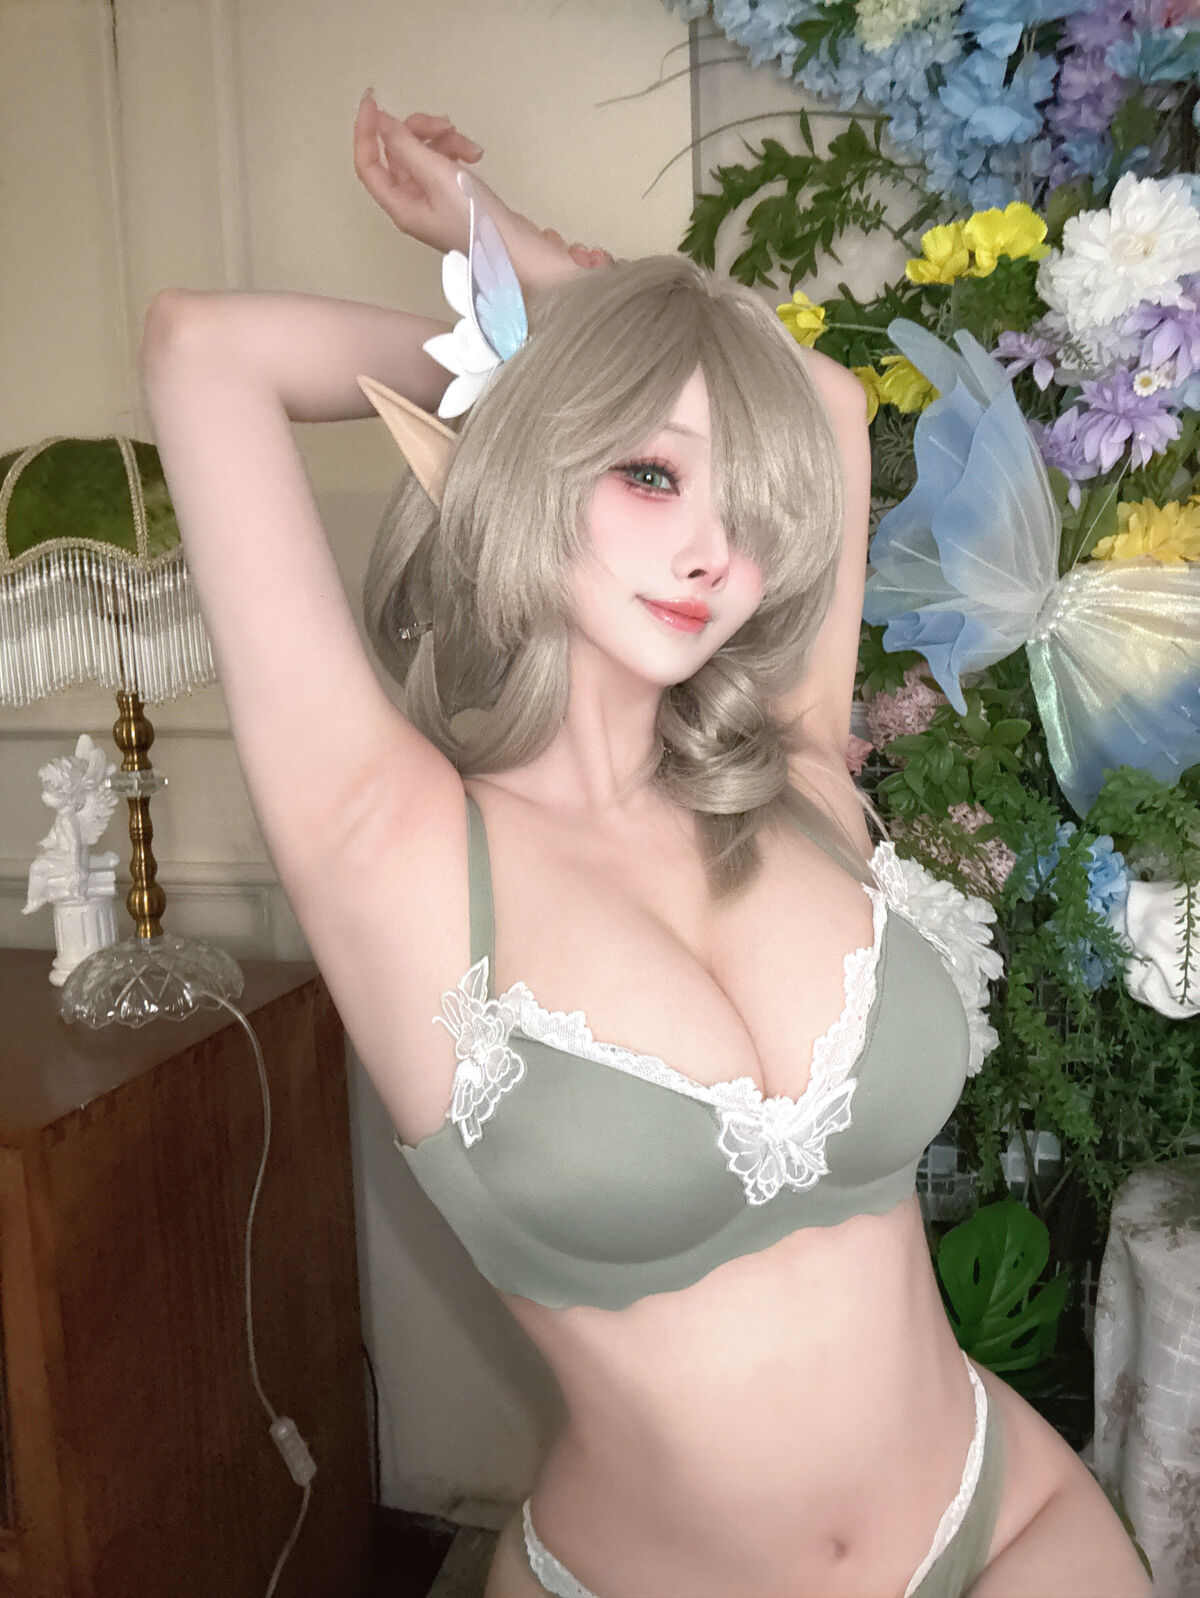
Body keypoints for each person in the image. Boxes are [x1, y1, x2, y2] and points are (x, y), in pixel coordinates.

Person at [137, 91, 1153, 1598]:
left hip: (1002, 1515)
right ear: (541, 455)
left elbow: (822, 403)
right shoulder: (394, 844)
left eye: (746, 511)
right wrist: (538, 356)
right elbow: (199, 350)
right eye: (651, 472)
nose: (715, 555)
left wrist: (540, 263)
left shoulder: (791, 768)